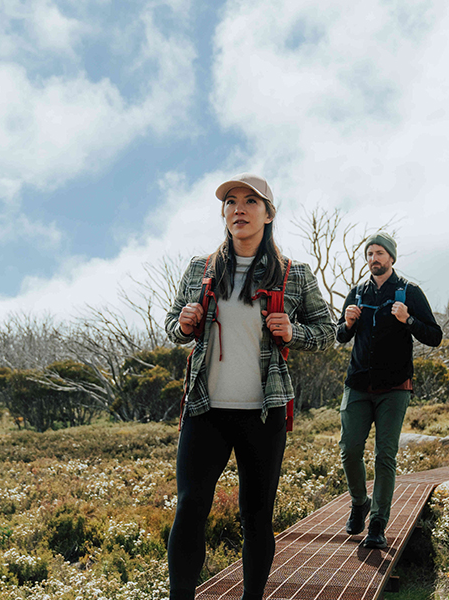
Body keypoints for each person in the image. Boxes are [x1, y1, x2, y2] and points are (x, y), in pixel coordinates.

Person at [165, 173, 334, 600]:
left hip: (264, 413)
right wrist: (183, 325)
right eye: (231, 202)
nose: (238, 209)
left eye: (250, 201)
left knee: (256, 517)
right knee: (189, 510)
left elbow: (327, 331)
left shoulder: (295, 274)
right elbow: (173, 326)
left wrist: (293, 331)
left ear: (269, 213)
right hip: (205, 411)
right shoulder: (199, 269)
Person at [336, 232, 443, 549]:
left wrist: (407, 319)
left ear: (391, 258)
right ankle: (359, 502)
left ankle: (377, 524)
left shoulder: (409, 291)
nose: (373, 258)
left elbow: (434, 336)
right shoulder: (357, 292)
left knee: (385, 456)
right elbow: (340, 336)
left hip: (394, 388)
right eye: (369, 254)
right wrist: (348, 323)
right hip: (357, 384)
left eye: (379, 253)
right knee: (349, 450)